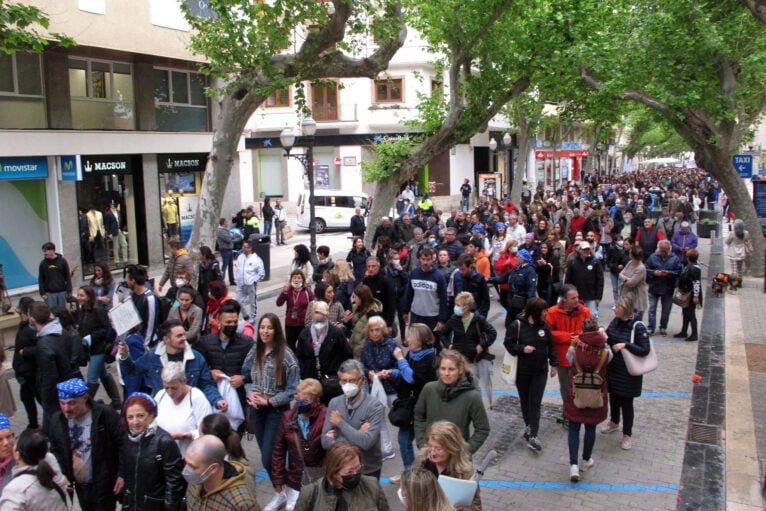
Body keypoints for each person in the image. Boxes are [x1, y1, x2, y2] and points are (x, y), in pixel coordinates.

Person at [48, 378, 125, 510]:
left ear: (84, 398)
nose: (66, 409)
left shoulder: (105, 415)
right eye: (62, 403)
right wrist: (61, 474)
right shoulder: (58, 420)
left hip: (103, 484)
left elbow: (123, 444)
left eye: (72, 403)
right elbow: (56, 450)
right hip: (79, 485)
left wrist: (122, 474)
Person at [118, 319, 227, 410]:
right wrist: (124, 356)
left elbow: (207, 385)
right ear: (166, 339)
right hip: (161, 410)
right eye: (179, 336)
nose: (184, 338)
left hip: (189, 409)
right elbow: (131, 371)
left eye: (184, 334)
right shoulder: (152, 357)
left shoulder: (196, 358)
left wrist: (217, 400)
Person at [244, 312, 299, 479]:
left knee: (269, 456)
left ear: (276, 330)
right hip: (256, 410)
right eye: (262, 327)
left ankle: (283, 486)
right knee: (266, 453)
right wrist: (250, 392)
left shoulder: (286, 356)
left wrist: (270, 401)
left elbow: (292, 390)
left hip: (276, 411)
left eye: (269, 328)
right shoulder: (255, 350)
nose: (265, 331)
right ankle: (281, 488)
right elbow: (245, 375)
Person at [504, 297, 558, 452]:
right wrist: (522, 349)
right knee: (525, 401)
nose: (546, 313)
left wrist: (553, 363)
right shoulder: (517, 325)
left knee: (535, 402)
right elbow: (508, 344)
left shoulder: (544, 327)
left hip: (540, 371)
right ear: (535, 312)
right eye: (543, 310)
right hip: (523, 371)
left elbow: (551, 346)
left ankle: (534, 434)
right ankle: (528, 425)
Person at [414, 350, 490, 455]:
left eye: (451, 369)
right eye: (443, 369)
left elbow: (482, 429)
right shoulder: (429, 389)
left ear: (460, 370)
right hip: (431, 456)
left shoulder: (472, 397)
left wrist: (464, 452)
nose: (446, 373)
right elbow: (418, 417)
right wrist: (423, 444)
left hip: (457, 461)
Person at [120, 392, 186, 511]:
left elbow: (174, 484)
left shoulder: (164, 442)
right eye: (130, 417)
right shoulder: (127, 439)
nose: (135, 422)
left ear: (151, 415)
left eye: (140, 416)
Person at [269, 378, 328, 511]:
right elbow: (279, 449)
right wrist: (278, 479)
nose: (301, 403)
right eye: (299, 398)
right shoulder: (288, 417)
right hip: (296, 476)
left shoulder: (326, 416)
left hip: (319, 476)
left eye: (306, 400)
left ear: (316, 399)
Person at [321, 359, 386, 479]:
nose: (347, 385)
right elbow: (325, 442)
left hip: (367, 468)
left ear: (362, 381)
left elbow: (367, 443)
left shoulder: (375, 406)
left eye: (352, 381)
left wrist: (340, 423)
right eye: (344, 381)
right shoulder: (334, 403)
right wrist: (358, 435)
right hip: (340, 468)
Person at [601, 297, 651, 450]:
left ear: (625, 309)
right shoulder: (615, 322)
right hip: (614, 368)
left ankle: (627, 434)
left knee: (627, 403)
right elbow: (609, 339)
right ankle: (614, 422)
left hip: (629, 372)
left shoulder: (637, 327)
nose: (614, 309)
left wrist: (626, 345)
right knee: (614, 397)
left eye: (617, 307)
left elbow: (645, 349)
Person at [563, 319, 609, 482]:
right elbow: (608, 365)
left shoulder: (575, 348)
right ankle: (586, 460)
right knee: (591, 427)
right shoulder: (604, 351)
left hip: (577, 392)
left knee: (574, 428)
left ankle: (573, 465)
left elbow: (569, 361)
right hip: (596, 392)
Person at [392, 324, 438, 475]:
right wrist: (391, 373)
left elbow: (412, 378)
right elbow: (404, 373)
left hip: (422, 409)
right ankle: (409, 472)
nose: (407, 339)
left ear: (420, 339)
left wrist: (399, 359)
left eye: (411, 336)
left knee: (421, 444)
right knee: (403, 440)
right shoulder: (412, 353)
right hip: (409, 406)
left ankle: (424, 474)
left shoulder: (430, 358)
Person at [197, 300, 254, 422]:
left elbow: (259, 369)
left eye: (235, 322)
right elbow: (198, 369)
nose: (232, 325)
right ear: (219, 321)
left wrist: (243, 378)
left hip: (239, 399)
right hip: (213, 398)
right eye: (228, 322)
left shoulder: (247, 343)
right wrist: (210, 372)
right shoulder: (205, 342)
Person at [294, 441, 389, 511]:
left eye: (358, 468)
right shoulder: (310, 493)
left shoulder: (372, 486)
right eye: (349, 472)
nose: (355, 474)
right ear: (334, 472)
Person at [441, 291, 497, 405]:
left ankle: (477, 408)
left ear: (466, 307)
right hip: (457, 359)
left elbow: (492, 332)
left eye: (458, 305)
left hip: (472, 360)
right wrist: (448, 345)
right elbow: (442, 334)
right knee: (456, 384)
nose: (455, 307)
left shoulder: (478, 319)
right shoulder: (454, 319)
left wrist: (482, 345)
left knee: (474, 386)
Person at [413, 421, 481, 511]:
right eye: (430, 446)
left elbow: (475, 506)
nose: (432, 453)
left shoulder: (465, 473)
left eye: (438, 448)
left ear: (452, 448)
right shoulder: (421, 461)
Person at [545, 284, 592, 407]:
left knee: (580, 385)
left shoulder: (585, 311)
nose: (577, 300)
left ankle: (578, 408)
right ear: (564, 299)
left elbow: (592, 332)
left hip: (581, 356)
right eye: (573, 298)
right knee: (565, 386)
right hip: (562, 357)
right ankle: (567, 409)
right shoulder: (553, 312)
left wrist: (582, 337)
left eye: (577, 297)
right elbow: (546, 333)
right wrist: (566, 337)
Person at [296, 302, 352, 404]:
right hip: (311, 384)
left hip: (331, 384)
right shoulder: (304, 334)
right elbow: (300, 357)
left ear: (326, 316)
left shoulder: (336, 333)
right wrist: (303, 374)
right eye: (316, 319)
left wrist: (340, 376)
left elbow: (347, 356)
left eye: (322, 319)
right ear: (312, 316)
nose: (319, 322)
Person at [183, 435, 259, 510]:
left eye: (193, 467)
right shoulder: (195, 482)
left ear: (213, 468)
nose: (186, 470)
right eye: (186, 463)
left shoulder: (242, 503)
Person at [361, 316, 400, 461]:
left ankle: (404, 443)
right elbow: (362, 365)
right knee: (379, 419)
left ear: (383, 330)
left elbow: (401, 366)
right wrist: (368, 373)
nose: (375, 333)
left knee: (399, 417)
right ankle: (387, 449)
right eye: (372, 330)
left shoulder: (392, 345)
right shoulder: (367, 346)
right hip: (376, 389)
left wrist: (388, 373)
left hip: (392, 388)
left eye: (377, 330)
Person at [28, 302, 70, 435]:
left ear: (32, 319)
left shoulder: (44, 344)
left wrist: (46, 399)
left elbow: (49, 377)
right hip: (64, 388)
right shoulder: (60, 331)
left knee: (54, 432)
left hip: (54, 397)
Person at [153, 362, 213, 456]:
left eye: (174, 388)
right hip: (163, 456)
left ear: (184, 381)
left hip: (188, 457)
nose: (170, 392)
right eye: (166, 388)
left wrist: (184, 435)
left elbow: (208, 431)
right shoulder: (160, 395)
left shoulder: (196, 397)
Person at [0, 428, 68, 511]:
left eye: (9, 437)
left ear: (17, 455)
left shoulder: (15, 489)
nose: (7, 443)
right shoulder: (49, 462)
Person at [75, 286, 122, 406]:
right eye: (78, 295)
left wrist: (91, 337)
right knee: (103, 374)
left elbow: (106, 330)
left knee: (91, 377)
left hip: (99, 349)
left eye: (82, 295)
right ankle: (116, 401)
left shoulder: (99, 311)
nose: (79, 298)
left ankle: (86, 404)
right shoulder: (81, 311)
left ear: (89, 297)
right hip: (89, 350)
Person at [403, 248, 449, 331]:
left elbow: (443, 299)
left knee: (432, 342)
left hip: (432, 316)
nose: (425, 262)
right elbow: (409, 293)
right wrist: (405, 311)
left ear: (432, 260)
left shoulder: (439, 277)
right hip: (416, 314)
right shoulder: (414, 273)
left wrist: (442, 320)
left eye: (428, 260)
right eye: (423, 259)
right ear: (419, 259)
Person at [12, 298, 40, 431]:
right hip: (25, 373)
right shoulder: (24, 326)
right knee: (26, 399)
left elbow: (42, 347)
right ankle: (33, 424)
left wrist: (27, 351)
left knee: (41, 400)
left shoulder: (32, 329)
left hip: (32, 373)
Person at [645, 240, 682, 335]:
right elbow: (646, 269)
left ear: (669, 249)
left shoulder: (675, 259)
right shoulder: (652, 257)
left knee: (666, 310)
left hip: (668, 287)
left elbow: (679, 272)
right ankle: (651, 327)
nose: (663, 253)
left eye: (665, 251)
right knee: (652, 308)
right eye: (662, 250)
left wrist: (668, 273)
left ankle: (663, 326)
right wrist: (654, 272)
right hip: (654, 286)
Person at [277, 269, 315, 353]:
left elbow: (314, 304)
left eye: (299, 278)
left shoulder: (307, 292)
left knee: (304, 345)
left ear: (302, 279)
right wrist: (284, 292)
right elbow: (279, 303)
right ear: (291, 280)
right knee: (290, 346)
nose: (296, 280)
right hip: (290, 323)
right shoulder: (288, 291)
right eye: (294, 278)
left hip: (303, 324)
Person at [341, 284, 382, 359]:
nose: (353, 300)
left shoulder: (373, 314)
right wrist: (345, 322)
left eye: (355, 297)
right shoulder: (356, 308)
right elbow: (354, 329)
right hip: (355, 348)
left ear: (361, 298)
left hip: (365, 353)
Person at [566, 242, 604, 320]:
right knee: (576, 316)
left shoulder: (595, 262)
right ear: (579, 250)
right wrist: (566, 294)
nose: (586, 251)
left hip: (591, 295)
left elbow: (600, 280)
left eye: (588, 249)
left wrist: (598, 296)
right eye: (584, 249)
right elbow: (568, 279)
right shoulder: (572, 262)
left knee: (591, 316)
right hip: (576, 296)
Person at [362, 256, 398, 333]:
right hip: (369, 319)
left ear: (378, 266)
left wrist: (389, 324)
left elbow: (391, 304)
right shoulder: (365, 281)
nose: (371, 269)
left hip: (383, 320)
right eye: (368, 266)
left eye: (373, 266)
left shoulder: (386, 282)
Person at [504, 248, 537, 328]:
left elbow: (531, 289)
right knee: (508, 324)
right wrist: (488, 279)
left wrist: (527, 306)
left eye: (518, 256)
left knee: (520, 325)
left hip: (522, 302)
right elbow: (503, 278)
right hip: (512, 301)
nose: (515, 258)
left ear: (523, 259)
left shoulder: (530, 270)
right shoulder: (515, 269)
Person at [675, 248, 703, 342]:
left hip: (691, 294)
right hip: (687, 292)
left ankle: (694, 334)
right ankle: (684, 331)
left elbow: (696, 283)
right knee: (685, 313)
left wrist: (696, 296)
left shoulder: (694, 269)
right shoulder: (690, 266)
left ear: (688, 257)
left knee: (691, 314)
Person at [234, 240, 265, 321]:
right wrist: (237, 279)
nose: (243, 249)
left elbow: (261, 273)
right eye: (243, 247)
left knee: (252, 302)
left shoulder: (256, 259)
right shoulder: (240, 257)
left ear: (250, 248)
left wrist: (254, 280)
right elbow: (237, 269)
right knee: (238, 300)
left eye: (245, 247)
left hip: (250, 284)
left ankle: (252, 317)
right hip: (241, 284)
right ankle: (245, 315)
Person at [38, 242, 72, 309]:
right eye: (43, 251)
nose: (44, 253)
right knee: (52, 312)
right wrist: (42, 293)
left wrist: (69, 290)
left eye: (46, 251)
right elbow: (41, 279)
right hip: (49, 294)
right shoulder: (43, 264)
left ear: (52, 250)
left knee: (63, 311)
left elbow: (67, 276)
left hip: (62, 292)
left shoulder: (62, 261)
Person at [618, 246, 648, 321]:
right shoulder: (630, 262)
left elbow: (631, 283)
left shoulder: (641, 268)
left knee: (635, 319)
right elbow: (620, 274)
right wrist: (627, 278)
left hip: (637, 297)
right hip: (626, 294)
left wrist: (624, 278)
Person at [725, 219, 752, 285]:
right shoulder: (746, 233)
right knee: (739, 268)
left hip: (733, 253)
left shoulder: (732, 233)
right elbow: (747, 241)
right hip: (742, 253)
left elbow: (727, 242)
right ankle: (740, 282)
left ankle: (734, 283)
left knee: (734, 269)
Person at [606, 236, 629, 303]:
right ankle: (616, 302)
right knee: (615, 288)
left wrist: (623, 265)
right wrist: (614, 266)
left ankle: (621, 302)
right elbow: (608, 261)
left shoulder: (626, 250)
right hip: (614, 271)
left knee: (621, 289)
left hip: (623, 272)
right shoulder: (612, 249)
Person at [217, 218, 236, 285]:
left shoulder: (226, 230)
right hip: (225, 250)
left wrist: (231, 236)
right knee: (224, 266)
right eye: (226, 222)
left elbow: (232, 236)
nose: (227, 224)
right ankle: (221, 280)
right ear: (223, 223)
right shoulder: (220, 231)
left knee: (231, 265)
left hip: (230, 249)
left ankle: (232, 280)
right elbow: (228, 239)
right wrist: (231, 236)